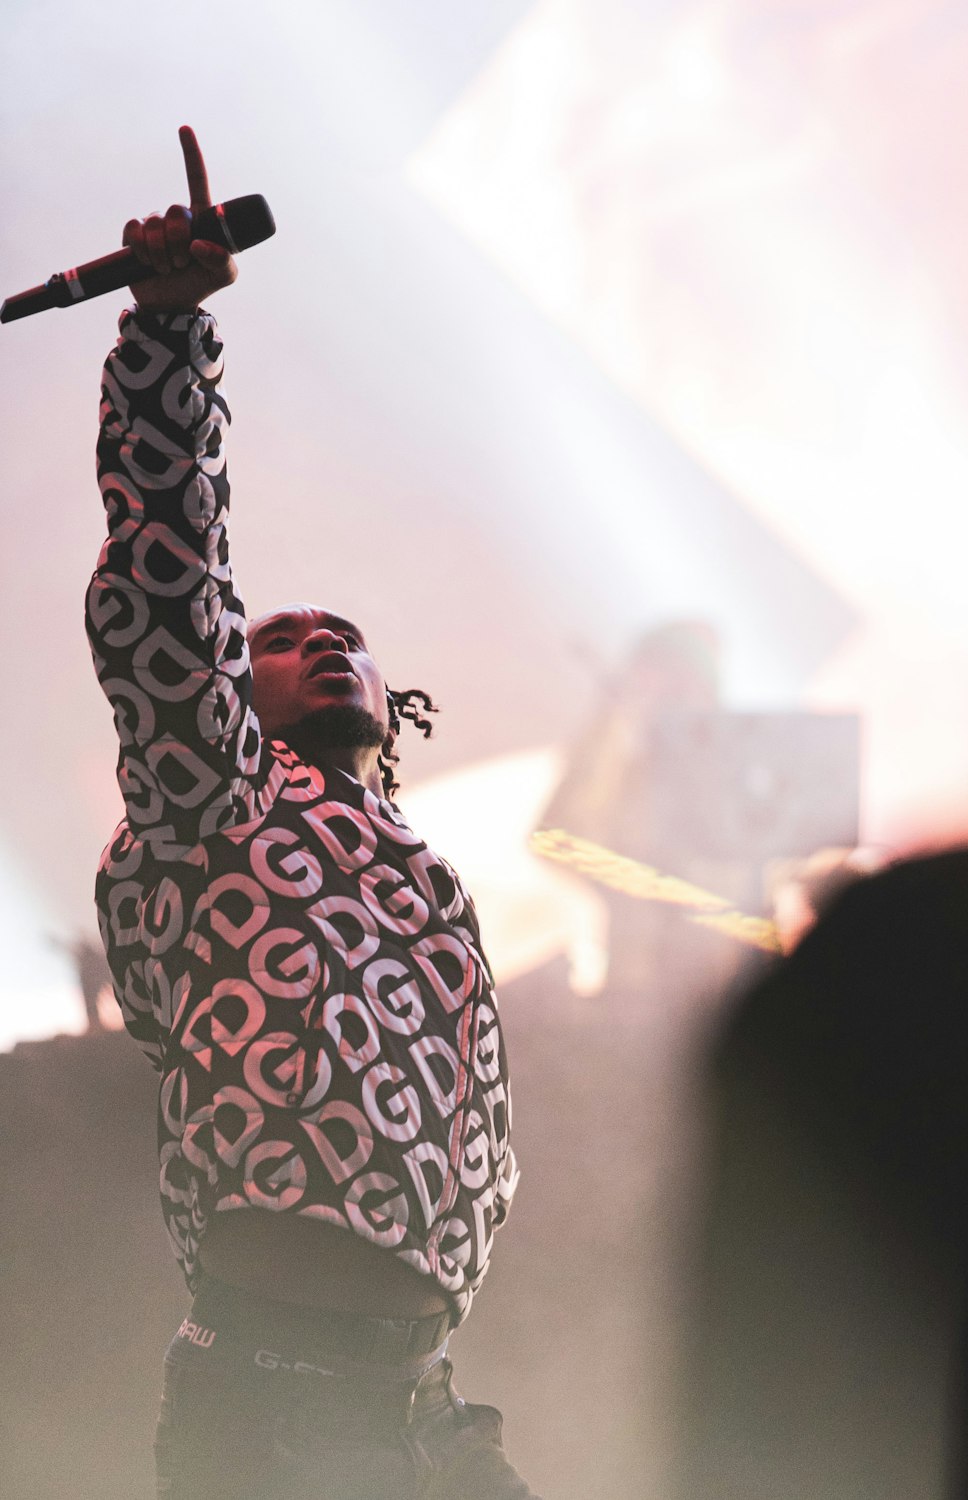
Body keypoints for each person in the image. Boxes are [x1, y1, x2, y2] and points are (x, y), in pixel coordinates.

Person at [86, 126, 536, 1500]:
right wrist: (167, 342)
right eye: (282, 634)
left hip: (424, 1413)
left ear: (395, 704)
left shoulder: (429, 877)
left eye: (346, 632)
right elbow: (170, 584)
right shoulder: (208, 802)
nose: (323, 639)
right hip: (275, 1410)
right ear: (229, 681)